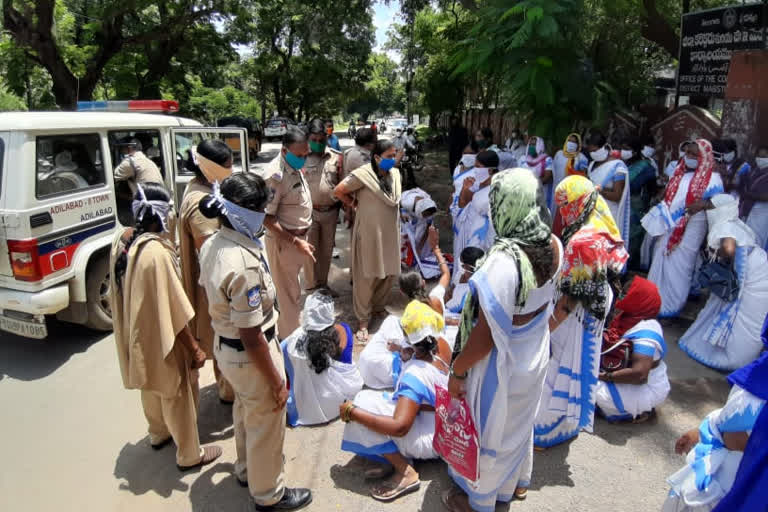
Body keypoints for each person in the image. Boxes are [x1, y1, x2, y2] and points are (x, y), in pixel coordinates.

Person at [442, 170, 562, 512]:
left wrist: (459, 371)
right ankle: (514, 485)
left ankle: (480, 501)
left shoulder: (503, 264)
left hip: (502, 364)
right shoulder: (554, 244)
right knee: (518, 425)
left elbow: (485, 337)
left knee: (491, 431)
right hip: (534, 352)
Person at [198, 173, 312, 511]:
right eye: (260, 208)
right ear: (242, 211)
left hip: (227, 350)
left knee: (247, 409)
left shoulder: (217, 242)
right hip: (250, 352)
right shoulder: (243, 263)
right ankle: (269, 495)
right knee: (267, 420)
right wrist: (277, 381)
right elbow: (251, 334)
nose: (265, 214)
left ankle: (247, 469)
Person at [109, 182, 222, 470]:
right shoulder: (157, 253)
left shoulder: (122, 241)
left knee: (150, 384)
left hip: (136, 332)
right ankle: (189, 453)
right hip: (162, 335)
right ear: (161, 215)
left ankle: (158, 433)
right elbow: (175, 311)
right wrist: (195, 348)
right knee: (178, 390)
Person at [534, 175, 629, 448]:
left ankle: (546, 430)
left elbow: (568, 301)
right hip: (596, 300)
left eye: (565, 206)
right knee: (576, 359)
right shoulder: (600, 222)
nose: (562, 212)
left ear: (577, 204)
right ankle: (566, 422)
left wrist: (545, 329)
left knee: (559, 360)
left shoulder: (583, 241)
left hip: (579, 311)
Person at [339, 300, 449, 502]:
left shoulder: (415, 374)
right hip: (439, 425)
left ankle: (405, 471)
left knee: (360, 411)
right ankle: (393, 456)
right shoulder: (442, 346)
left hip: (431, 439)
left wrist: (352, 413)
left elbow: (400, 427)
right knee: (366, 398)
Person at [662, 315, 768, 512]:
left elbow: (737, 438)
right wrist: (702, 430)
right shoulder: (760, 375)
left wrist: (708, 431)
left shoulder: (758, 383)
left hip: (728, 490)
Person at [677, 194, 768, 371]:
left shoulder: (725, 226)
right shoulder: (735, 222)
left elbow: (728, 249)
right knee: (747, 316)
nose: (709, 212)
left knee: (743, 314)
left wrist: (718, 257)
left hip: (753, 275)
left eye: (711, 208)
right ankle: (742, 357)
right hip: (758, 269)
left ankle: (732, 359)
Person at [358, 226, 453, 389]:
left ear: (402, 292)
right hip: (440, 345)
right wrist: (435, 248)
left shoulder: (411, 315)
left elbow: (419, 346)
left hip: (425, 354)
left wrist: (399, 349)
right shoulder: (436, 299)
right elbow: (446, 275)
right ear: (424, 283)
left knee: (371, 353)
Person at [178, 140, 235, 404]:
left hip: (208, 283)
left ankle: (226, 385)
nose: (231, 170)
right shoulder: (201, 204)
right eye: (227, 166)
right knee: (222, 335)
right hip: (210, 287)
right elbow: (211, 256)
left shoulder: (200, 186)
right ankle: (228, 390)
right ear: (211, 167)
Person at [642, 139, 724, 318]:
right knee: (660, 259)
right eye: (688, 153)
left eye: (695, 154)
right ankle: (653, 304)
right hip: (669, 227)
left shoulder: (713, 178)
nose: (690, 157)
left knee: (680, 267)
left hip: (693, 227)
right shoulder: (679, 173)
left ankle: (671, 308)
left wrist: (702, 205)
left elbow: (720, 203)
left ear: (704, 156)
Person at [334, 139, 402, 344]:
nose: (393, 159)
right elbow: (338, 190)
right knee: (367, 276)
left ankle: (379, 308)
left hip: (390, 233)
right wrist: (354, 205)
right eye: (389, 156)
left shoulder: (396, 175)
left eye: (394, 155)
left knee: (388, 272)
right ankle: (363, 321)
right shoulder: (363, 175)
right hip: (369, 233)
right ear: (377, 157)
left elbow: (394, 200)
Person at [594, 276, 670, 423]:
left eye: (626, 294)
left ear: (639, 299)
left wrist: (603, 377)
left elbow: (639, 375)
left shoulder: (647, 330)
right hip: (624, 379)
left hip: (644, 387)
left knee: (582, 386)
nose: (621, 296)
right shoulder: (627, 317)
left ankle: (632, 412)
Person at [281, 291, 363, 427]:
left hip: (305, 406)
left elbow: (282, 366)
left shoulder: (292, 340)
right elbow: (346, 363)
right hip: (335, 402)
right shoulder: (341, 332)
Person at [263, 128, 316, 338]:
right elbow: (267, 218)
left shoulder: (293, 166)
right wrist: (295, 241)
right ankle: (290, 345)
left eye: (306, 154)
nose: (304, 159)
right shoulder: (275, 176)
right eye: (300, 155)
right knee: (287, 298)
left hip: (297, 241)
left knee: (293, 293)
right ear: (284, 151)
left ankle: (291, 335)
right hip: (285, 243)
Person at [303, 118, 343, 295]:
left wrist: (347, 210)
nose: (318, 144)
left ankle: (323, 284)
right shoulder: (300, 157)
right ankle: (312, 288)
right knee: (310, 252)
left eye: (322, 140)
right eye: (314, 140)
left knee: (326, 252)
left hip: (331, 213)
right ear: (308, 138)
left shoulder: (336, 157)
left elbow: (343, 185)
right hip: (309, 213)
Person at [452, 152, 500, 283]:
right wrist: (465, 189)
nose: (475, 170)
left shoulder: (497, 189)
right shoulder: (477, 183)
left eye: (478, 166)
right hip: (467, 230)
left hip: (482, 237)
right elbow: (462, 204)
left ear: (489, 170)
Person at [586, 132, 631, 247]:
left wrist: (600, 191)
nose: (593, 154)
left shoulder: (617, 166)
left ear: (604, 147)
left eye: (595, 151)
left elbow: (617, 196)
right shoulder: (592, 165)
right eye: (590, 152)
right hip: (592, 214)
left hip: (609, 215)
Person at [622, 136, 659, 268]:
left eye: (627, 149)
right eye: (623, 148)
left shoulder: (646, 168)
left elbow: (652, 189)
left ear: (636, 151)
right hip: (621, 207)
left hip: (636, 210)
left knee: (632, 243)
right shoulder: (624, 164)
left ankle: (628, 269)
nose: (623, 151)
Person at [400, 188, 442, 279]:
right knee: (406, 237)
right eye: (425, 215)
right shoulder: (408, 203)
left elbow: (428, 228)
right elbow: (398, 205)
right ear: (419, 212)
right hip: (406, 215)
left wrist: (420, 247)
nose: (426, 217)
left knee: (419, 239)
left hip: (419, 213)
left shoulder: (429, 208)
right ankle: (405, 259)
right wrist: (401, 214)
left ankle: (418, 258)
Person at [742, 145, 768, 250]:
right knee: (743, 241)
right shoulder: (754, 171)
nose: (760, 159)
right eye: (759, 156)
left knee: (755, 243)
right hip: (748, 210)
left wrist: (751, 195)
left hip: (761, 213)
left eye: (764, 156)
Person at [518, 135, 554, 211]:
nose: (531, 146)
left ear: (540, 145)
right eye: (530, 144)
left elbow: (547, 177)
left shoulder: (547, 159)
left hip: (540, 193)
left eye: (534, 144)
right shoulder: (523, 159)